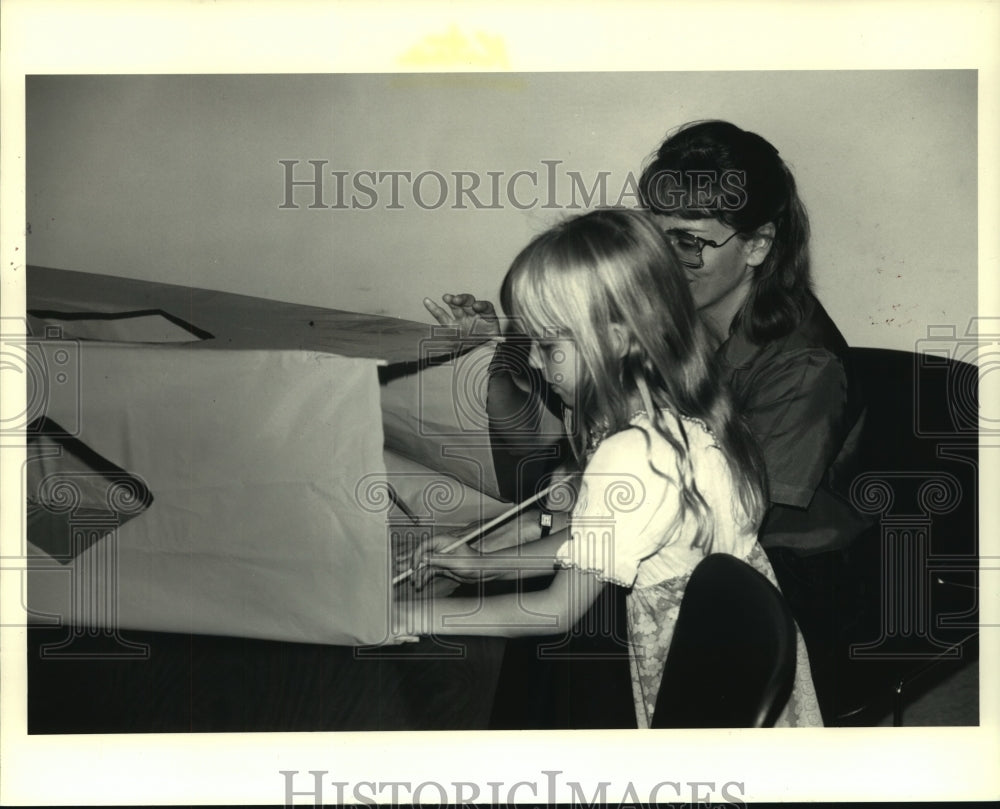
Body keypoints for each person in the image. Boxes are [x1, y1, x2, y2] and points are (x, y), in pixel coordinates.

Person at [424, 121, 870, 721]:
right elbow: (560, 452)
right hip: (677, 546)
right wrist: (502, 352)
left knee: (564, 636)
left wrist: (551, 522)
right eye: (655, 237)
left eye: (688, 242)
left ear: (759, 245)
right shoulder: (666, 330)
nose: (662, 259)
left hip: (775, 583)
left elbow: (707, 518)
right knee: (532, 589)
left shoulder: (803, 367)